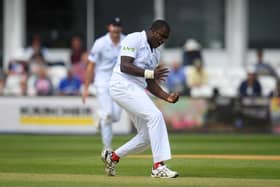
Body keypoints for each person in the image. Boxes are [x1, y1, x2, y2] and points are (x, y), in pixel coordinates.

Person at [105, 20, 179, 178]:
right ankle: (158, 166)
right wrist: (150, 73)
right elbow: (125, 65)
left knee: (146, 137)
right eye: (161, 36)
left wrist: (167, 97)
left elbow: (150, 83)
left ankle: (113, 157)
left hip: (135, 90)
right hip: (121, 85)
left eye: (165, 38)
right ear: (152, 31)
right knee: (155, 116)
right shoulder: (134, 39)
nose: (162, 41)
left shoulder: (156, 54)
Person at [82, 17, 125, 151]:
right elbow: (90, 66)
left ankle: (100, 119)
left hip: (120, 81)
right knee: (107, 114)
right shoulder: (100, 43)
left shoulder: (126, 41)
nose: (116, 29)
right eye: (113, 26)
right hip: (103, 81)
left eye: (118, 26)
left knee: (116, 116)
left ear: (121, 28)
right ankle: (107, 148)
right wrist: (86, 88)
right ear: (109, 27)